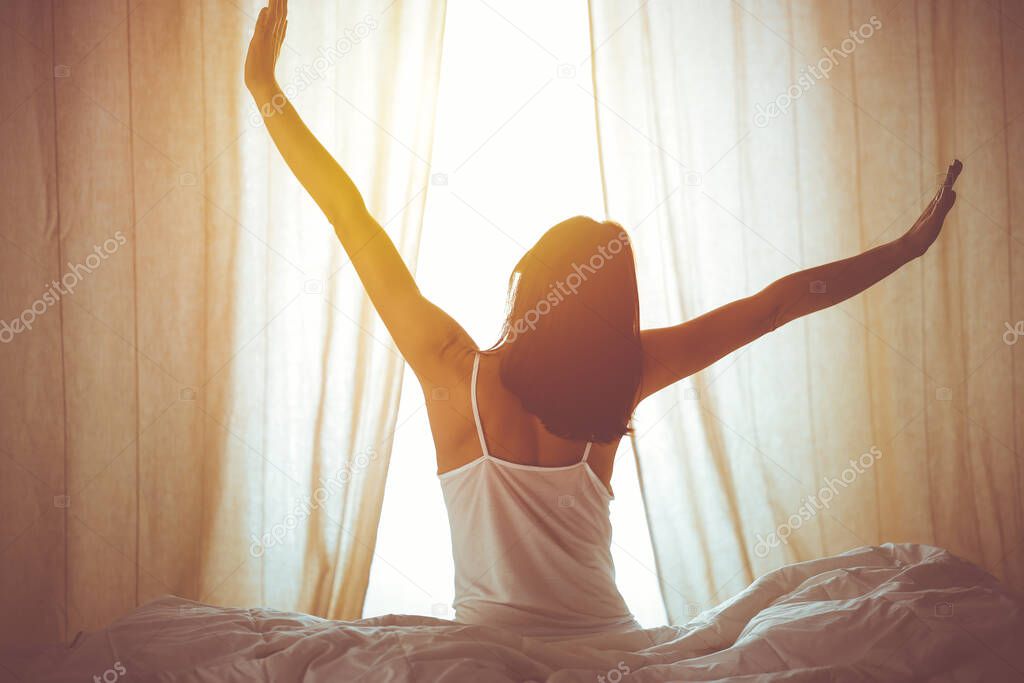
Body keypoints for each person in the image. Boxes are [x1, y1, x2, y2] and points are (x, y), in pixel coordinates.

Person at [244, 0, 962, 640]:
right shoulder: (627, 374)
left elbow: (350, 217)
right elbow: (777, 304)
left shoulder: (447, 365)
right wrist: (903, 248)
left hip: (484, 654)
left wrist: (266, 90)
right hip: (617, 648)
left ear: (526, 287)